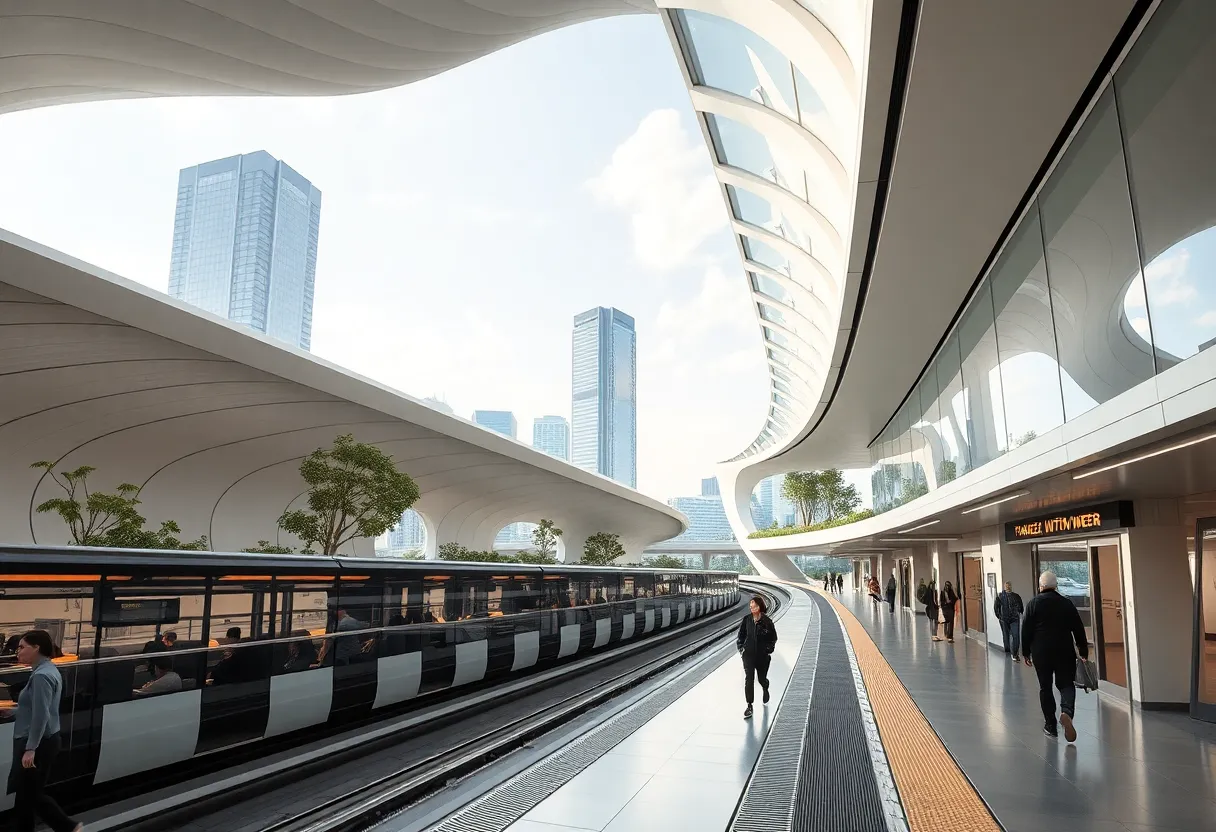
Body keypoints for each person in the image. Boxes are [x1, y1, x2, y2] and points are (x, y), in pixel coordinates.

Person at [0, 630, 84, 832]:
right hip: (45, 740)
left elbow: (41, 715)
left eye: (22, 647)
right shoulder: (48, 670)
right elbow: (39, 709)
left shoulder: (41, 676)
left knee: (31, 795)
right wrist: (12, 712)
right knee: (25, 796)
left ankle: (68, 826)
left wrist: (31, 749)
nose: (18, 652)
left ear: (36, 648)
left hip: (38, 743)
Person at [1021, 571, 1087, 742]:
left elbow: (1026, 629)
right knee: (1066, 684)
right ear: (1056, 586)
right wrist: (1083, 651)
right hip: (1064, 650)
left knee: (1045, 687)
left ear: (1040, 586)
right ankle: (1066, 712)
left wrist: (1025, 652)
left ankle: (1050, 725)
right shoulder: (1066, 603)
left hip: (1041, 652)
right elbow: (1078, 628)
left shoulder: (1033, 604)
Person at [736, 594, 777, 719]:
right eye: (751, 606)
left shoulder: (767, 621)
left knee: (761, 679)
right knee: (749, 679)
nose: (752, 608)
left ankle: (765, 687)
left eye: (754, 606)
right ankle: (749, 705)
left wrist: (768, 650)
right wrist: (741, 648)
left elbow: (773, 638)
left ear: (760, 606)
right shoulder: (746, 620)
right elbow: (741, 635)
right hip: (748, 655)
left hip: (762, 656)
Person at [994, 581, 1025, 660]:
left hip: (1014, 619)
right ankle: (1008, 651)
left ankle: (1015, 653)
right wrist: (999, 616)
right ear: (1004, 587)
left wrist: (1019, 612)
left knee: (1016, 636)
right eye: (1007, 586)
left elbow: (1021, 606)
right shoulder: (1000, 596)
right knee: (1006, 635)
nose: (1008, 587)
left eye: (1009, 585)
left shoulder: (1016, 596)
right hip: (1004, 619)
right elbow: (996, 608)